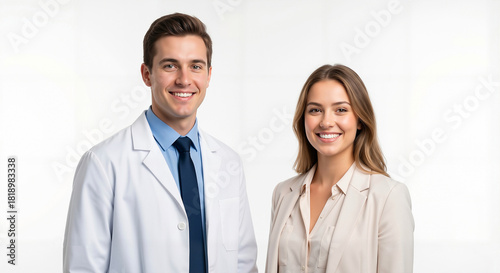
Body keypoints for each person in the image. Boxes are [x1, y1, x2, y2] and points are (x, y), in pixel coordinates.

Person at [63, 13, 258, 273]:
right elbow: (83, 267)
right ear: (147, 74)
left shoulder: (229, 162)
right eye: (170, 66)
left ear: (209, 75)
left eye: (196, 66)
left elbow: (243, 263)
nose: (184, 79)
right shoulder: (104, 163)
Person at [265, 64, 414, 273]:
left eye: (341, 110)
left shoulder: (388, 197)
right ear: (303, 119)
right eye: (315, 110)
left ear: (360, 120)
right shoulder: (283, 193)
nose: (326, 122)